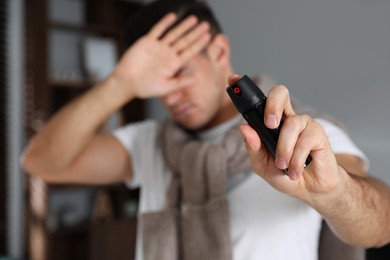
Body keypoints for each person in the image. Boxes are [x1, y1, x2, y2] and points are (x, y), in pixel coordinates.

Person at [22, 0, 390, 259]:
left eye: (179, 73)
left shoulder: (304, 137)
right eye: (154, 82)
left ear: (218, 52)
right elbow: (40, 161)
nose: (169, 95)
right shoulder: (148, 143)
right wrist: (121, 83)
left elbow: (381, 226)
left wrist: (333, 191)